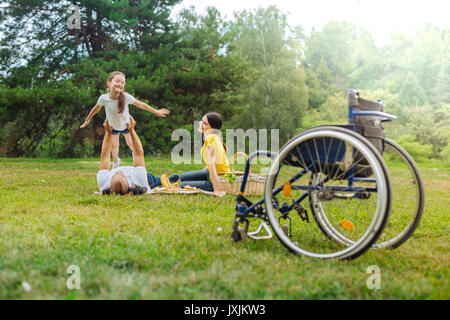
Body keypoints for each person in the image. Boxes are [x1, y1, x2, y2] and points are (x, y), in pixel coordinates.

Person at [81, 71, 169, 168]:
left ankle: (136, 160)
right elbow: (95, 109)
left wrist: (156, 111)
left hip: (126, 126)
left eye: (122, 83)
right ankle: (115, 162)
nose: (120, 84)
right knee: (114, 147)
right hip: (113, 127)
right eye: (117, 81)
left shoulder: (126, 97)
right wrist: (87, 120)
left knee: (131, 145)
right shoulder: (103, 98)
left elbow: (141, 105)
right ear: (109, 83)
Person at [97, 116, 178, 195]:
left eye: (115, 174)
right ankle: (164, 180)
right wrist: (131, 130)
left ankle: (163, 180)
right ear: (129, 185)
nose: (119, 171)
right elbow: (138, 153)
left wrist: (108, 132)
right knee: (153, 180)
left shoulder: (104, 183)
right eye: (122, 175)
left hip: (136, 172)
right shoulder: (139, 181)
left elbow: (104, 156)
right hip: (147, 179)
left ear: (109, 185)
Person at [175, 112, 229, 197]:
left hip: (217, 180)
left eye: (205, 123)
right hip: (211, 173)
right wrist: (201, 174)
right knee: (182, 177)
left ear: (212, 127)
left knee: (183, 185)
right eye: (202, 121)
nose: (201, 124)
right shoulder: (215, 136)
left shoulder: (211, 139)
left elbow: (212, 164)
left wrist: (217, 190)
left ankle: (213, 186)